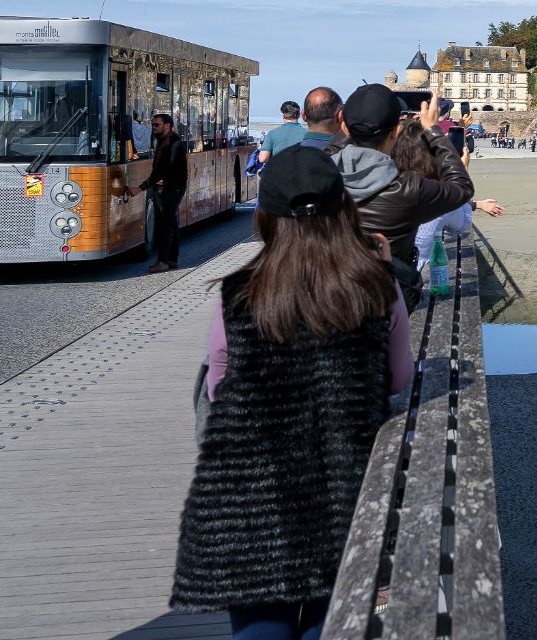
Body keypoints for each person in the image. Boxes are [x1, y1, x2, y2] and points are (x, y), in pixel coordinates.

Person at [171, 146, 413, 637]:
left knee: (260, 625)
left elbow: (219, 383)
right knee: (333, 619)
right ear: (344, 209)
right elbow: (400, 381)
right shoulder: (376, 287)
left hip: (253, 495)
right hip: (345, 490)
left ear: (266, 216)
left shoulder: (240, 291)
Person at [326, 84, 474, 309]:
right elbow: (462, 188)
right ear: (396, 132)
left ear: (344, 125)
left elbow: (330, 154)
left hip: (329, 292)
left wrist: (357, 119)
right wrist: (432, 130)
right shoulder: (410, 188)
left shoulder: (320, 174)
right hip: (388, 298)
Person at [393, 121, 503, 276]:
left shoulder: (387, 184)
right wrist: (461, 170)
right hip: (414, 277)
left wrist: (477, 204)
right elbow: (461, 224)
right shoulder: (434, 197)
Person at [140, 114, 189, 273]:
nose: (153, 127)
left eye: (157, 125)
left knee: (166, 224)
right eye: (153, 125)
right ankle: (172, 260)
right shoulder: (163, 141)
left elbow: (163, 169)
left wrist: (142, 187)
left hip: (172, 188)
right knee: (172, 224)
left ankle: (163, 262)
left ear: (167, 126)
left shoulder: (174, 144)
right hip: (167, 187)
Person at [257, 101, 305, 168]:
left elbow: (263, 158)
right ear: (299, 115)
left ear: (283, 115)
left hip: (278, 175)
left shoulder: (272, 134)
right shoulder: (308, 134)